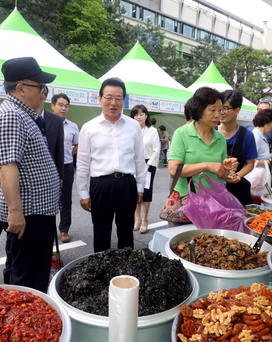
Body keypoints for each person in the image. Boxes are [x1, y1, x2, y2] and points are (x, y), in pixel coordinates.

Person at [0, 85, 63, 285]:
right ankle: (26, 314)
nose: (43, 92)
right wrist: (15, 212)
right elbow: (7, 166)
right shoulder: (11, 115)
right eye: (39, 87)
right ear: (21, 89)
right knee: (28, 278)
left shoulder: (22, 114)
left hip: (37, 212)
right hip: (29, 214)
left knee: (30, 271)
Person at [76, 78, 146, 252]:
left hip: (126, 184)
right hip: (100, 185)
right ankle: (100, 273)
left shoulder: (133, 126)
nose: (113, 103)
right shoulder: (89, 127)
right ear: (99, 98)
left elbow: (139, 159)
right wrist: (83, 193)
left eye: (118, 98)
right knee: (101, 231)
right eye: (108, 97)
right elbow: (83, 162)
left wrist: (140, 188)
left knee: (126, 233)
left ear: (124, 100)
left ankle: (126, 272)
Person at [168, 87, 239, 227]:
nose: (218, 115)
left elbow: (221, 174)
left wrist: (226, 170)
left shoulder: (220, 138)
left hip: (210, 203)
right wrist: (207, 165)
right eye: (213, 110)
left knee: (205, 243)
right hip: (184, 202)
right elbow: (173, 170)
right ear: (199, 110)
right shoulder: (182, 134)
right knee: (179, 243)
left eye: (220, 110)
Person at [218, 89, 257, 205]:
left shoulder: (247, 135)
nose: (221, 112)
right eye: (219, 108)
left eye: (225, 108)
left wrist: (237, 176)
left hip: (237, 190)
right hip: (214, 189)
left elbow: (250, 163)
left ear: (237, 110)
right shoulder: (210, 133)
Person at [51, 93, 79, 243]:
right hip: (49, 167)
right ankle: (48, 230)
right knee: (47, 199)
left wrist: (67, 155)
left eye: (66, 106)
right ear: (53, 106)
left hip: (67, 166)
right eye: (60, 105)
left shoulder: (73, 126)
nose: (64, 108)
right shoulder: (44, 122)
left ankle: (64, 230)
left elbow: (76, 145)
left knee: (65, 199)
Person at [130, 105, 161, 234]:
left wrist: (148, 165)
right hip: (133, 165)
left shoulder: (152, 131)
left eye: (141, 114)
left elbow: (156, 149)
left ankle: (145, 219)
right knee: (135, 193)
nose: (139, 117)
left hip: (148, 165)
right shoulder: (131, 130)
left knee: (146, 193)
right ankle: (137, 218)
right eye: (136, 114)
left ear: (146, 116)